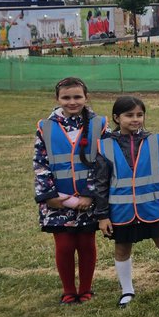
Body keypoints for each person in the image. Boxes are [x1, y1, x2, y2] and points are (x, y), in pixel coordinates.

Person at [91, 95, 159, 307]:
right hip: (121, 211)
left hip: (151, 208)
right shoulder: (105, 146)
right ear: (117, 118)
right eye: (129, 115)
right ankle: (127, 290)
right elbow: (100, 184)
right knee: (122, 249)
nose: (135, 119)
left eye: (139, 115)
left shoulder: (154, 141)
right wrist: (102, 216)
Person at [34, 77, 106, 304]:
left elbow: (104, 162)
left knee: (86, 244)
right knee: (64, 246)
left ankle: (85, 289)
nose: (72, 102)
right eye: (66, 97)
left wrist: (89, 193)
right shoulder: (45, 127)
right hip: (58, 200)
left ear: (86, 98)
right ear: (57, 99)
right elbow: (40, 163)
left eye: (77, 97)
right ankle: (68, 290)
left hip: (88, 200)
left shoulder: (99, 124)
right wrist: (50, 196)